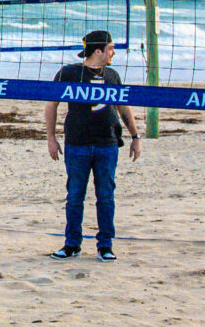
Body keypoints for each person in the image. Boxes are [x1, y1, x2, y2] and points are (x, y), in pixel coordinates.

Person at [44, 29, 143, 261]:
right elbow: (51, 104)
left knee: (106, 196)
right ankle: (72, 245)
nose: (114, 53)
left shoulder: (112, 75)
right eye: (110, 48)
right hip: (77, 143)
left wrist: (135, 136)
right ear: (98, 51)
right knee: (74, 197)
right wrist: (51, 138)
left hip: (107, 144)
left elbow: (123, 106)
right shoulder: (69, 73)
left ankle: (105, 246)